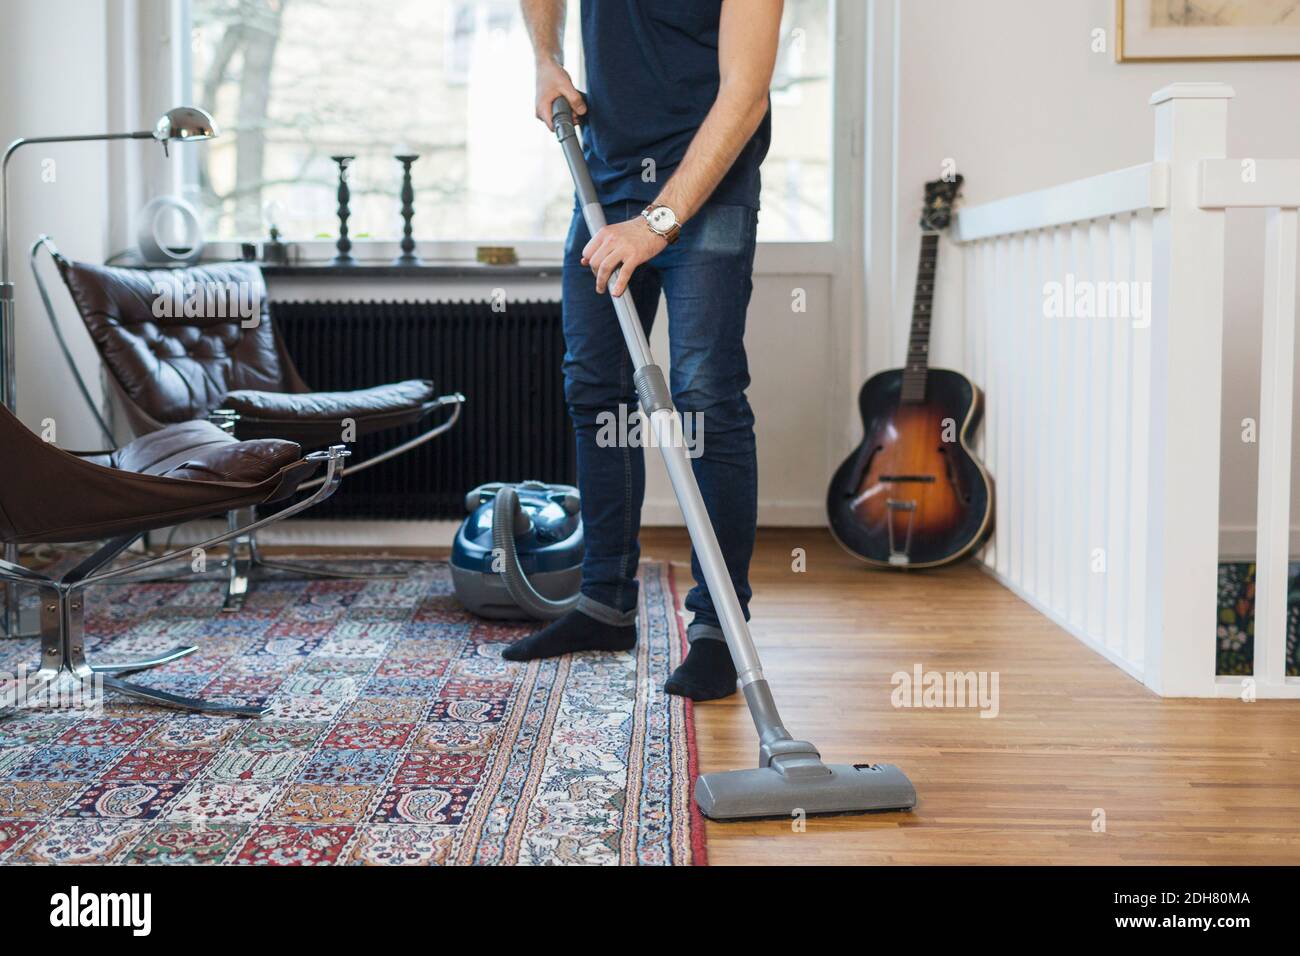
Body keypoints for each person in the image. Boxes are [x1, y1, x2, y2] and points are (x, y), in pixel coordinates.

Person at [505, 0, 783, 702]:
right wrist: (545, 58)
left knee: (704, 396)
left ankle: (719, 630)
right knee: (594, 387)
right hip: (603, 177)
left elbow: (746, 94)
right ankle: (604, 603)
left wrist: (658, 222)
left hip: (708, 187)